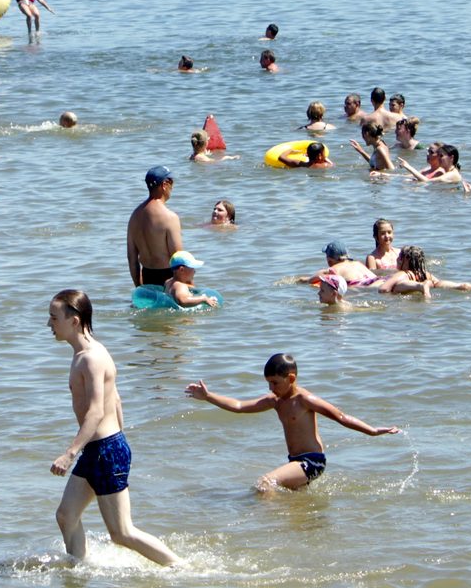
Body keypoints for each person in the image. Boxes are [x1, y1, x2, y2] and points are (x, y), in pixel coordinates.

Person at [48, 289, 179, 565]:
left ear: (74, 321)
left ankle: (178, 567)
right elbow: (116, 400)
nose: (49, 324)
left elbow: (96, 411)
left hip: (104, 450)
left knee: (121, 533)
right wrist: (119, 441)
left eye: (54, 317)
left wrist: (70, 453)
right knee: (66, 515)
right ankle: (78, 572)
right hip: (101, 449)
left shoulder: (92, 358)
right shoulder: (82, 354)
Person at [184, 352, 400, 492]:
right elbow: (240, 406)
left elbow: (341, 417)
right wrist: (209, 397)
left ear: (291, 378)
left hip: (313, 461)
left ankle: (271, 524)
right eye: (268, 383)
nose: (271, 388)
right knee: (296, 506)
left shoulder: (305, 400)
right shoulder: (275, 401)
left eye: (275, 383)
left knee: (264, 484)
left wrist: (372, 431)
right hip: (294, 461)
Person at [127, 166, 183, 288]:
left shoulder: (134, 216)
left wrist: (139, 288)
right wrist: (186, 287)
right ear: (164, 184)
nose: (172, 187)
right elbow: (178, 259)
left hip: (147, 276)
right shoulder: (170, 217)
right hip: (168, 278)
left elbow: (132, 259)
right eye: (171, 182)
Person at [388, 245, 471, 295]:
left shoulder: (403, 273)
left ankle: (420, 286)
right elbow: (437, 283)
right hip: (425, 281)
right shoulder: (425, 273)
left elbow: (384, 289)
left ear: (406, 260)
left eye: (400, 257)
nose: (397, 260)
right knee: (437, 283)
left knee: (396, 287)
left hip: (413, 285)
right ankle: (461, 285)